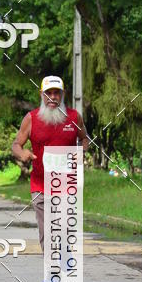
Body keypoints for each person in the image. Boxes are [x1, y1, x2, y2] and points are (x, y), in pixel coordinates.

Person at [11, 75, 89, 253]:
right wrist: (22, 153)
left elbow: (84, 139)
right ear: (42, 94)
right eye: (48, 93)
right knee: (47, 231)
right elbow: (16, 144)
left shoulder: (74, 117)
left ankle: (61, 261)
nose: (52, 97)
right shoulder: (31, 118)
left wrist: (81, 152)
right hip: (40, 185)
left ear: (63, 94)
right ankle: (52, 274)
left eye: (56, 93)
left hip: (67, 185)